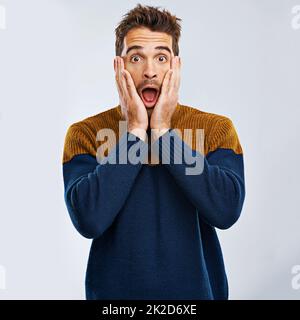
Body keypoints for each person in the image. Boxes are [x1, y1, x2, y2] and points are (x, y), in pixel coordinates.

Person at [62, 3, 245, 300]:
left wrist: (162, 132)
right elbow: (89, 219)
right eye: (136, 57)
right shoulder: (85, 134)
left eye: (161, 57)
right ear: (118, 66)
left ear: (176, 66)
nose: (149, 71)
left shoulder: (215, 129)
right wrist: (135, 130)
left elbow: (225, 211)